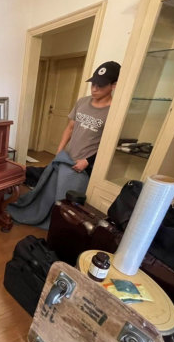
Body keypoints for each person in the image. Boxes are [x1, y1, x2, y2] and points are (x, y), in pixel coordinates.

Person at [7, 61, 121, 229]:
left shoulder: (115, 111)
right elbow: (70, 127)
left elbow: (109, 144)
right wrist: (60, 150)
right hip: (67, 158)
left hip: (84, 165)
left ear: (114, 85)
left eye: (101, 85)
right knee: (48, 189)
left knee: (66, 199)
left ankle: (59, 225)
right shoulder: (82, 102)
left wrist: (88, 161)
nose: (94, 89)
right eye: (93, 84)